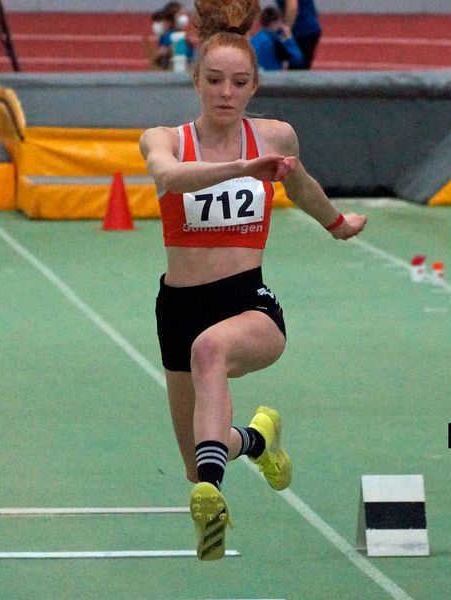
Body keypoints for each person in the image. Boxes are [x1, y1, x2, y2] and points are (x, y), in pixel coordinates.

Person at [139, 0, 366, 561]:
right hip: (178, 307)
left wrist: (337, 223)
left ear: (254, 86)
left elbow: (302, 185)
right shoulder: (163, 139)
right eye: (214, 80)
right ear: (195, 79)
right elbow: (169, 180)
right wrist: (242, 168)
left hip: (248, 304)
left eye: (239, 82)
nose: (225, 92)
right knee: (200, 452)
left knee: (211, 350)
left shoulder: (276, 137)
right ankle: (258, 440)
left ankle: (212, 500)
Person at [250, 5, 303, 71]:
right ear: (276, 22)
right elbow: (297, 59)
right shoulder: (276, 41)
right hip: (273, 77)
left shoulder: (252, 40)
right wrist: (289, 38)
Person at [276, 0, 321, 69]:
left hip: (301, 31)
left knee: (296, 68)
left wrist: (286, 29)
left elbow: (292, 7)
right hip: (308, 27)